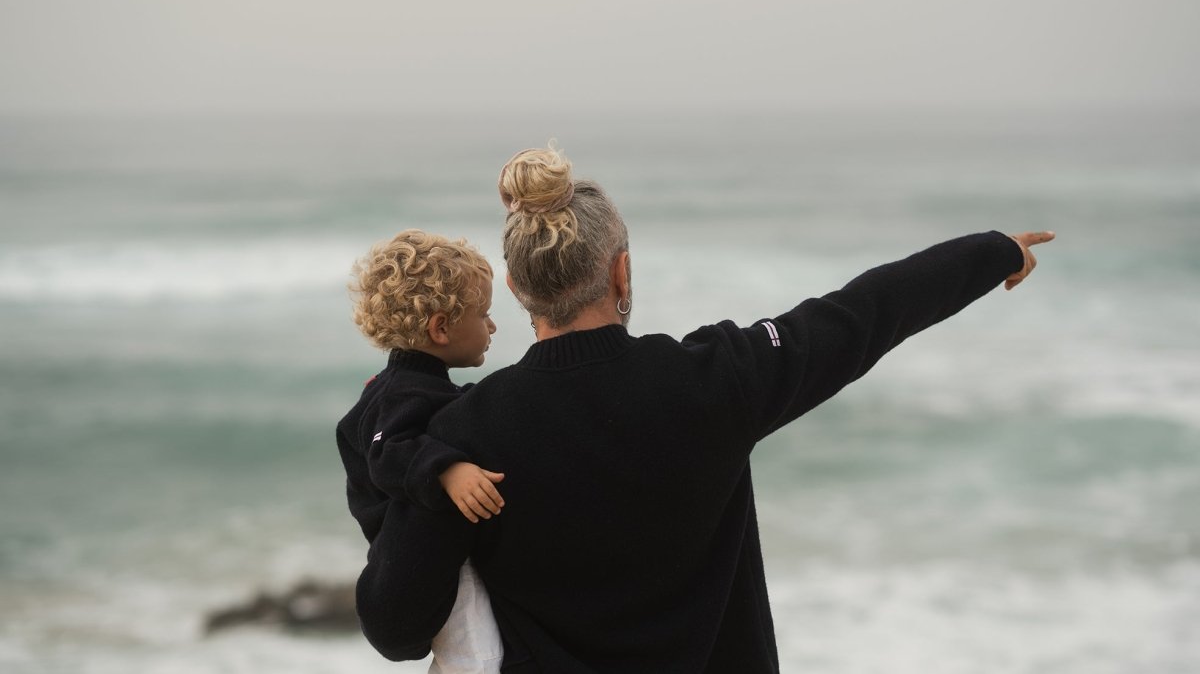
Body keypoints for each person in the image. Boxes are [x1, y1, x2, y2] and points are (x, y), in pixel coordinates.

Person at [356, 146, 1055, 672]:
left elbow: (397, 627)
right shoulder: (721, 379)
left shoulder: (459, 437)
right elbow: (860, 315)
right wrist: (990, 254)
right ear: (621, 270)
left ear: (515, 287)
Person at [336, 229, 506, 673]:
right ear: (441, 328)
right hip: (406, 566)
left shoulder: (416, 388)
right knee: (478, 654)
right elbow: (387, 452)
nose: (492, 327)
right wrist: (448, 470)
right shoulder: (396, 395)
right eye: (484, 315)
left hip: (418, 562)